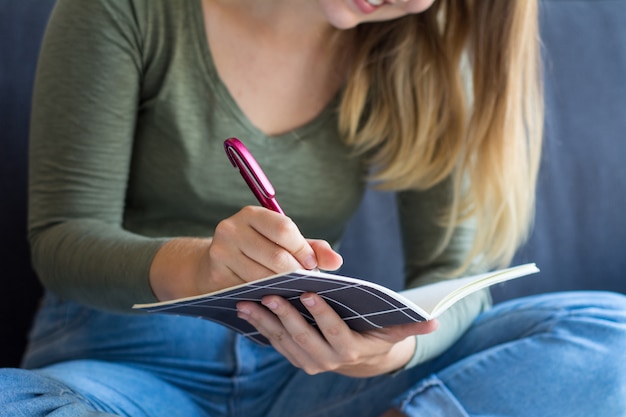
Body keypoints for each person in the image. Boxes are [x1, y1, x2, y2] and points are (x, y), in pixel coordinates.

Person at [1, 0, 625, 415]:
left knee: (611, 335)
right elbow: (62, 239)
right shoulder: (128, 10)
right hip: (131, 371)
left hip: (316, 377)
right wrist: (201, 269)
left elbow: (456, 279)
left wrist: (387, 352)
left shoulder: (416, 52)